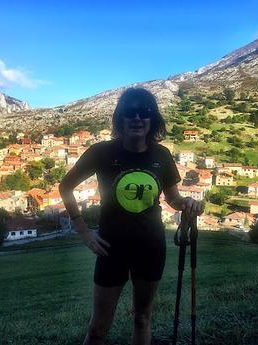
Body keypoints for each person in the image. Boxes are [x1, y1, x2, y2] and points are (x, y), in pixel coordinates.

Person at [59, 87, 203, 345]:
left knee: (142, 318)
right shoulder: (101, 152)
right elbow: (65, 186)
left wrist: (189, 204)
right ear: (120, 118)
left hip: (151, 246)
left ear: (153, 119)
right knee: (98, 328)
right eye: (129, 112)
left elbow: (172, 199)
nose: (137, 117)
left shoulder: (162, 155)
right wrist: (82, 229)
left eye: (144, 112)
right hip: (110, 249)